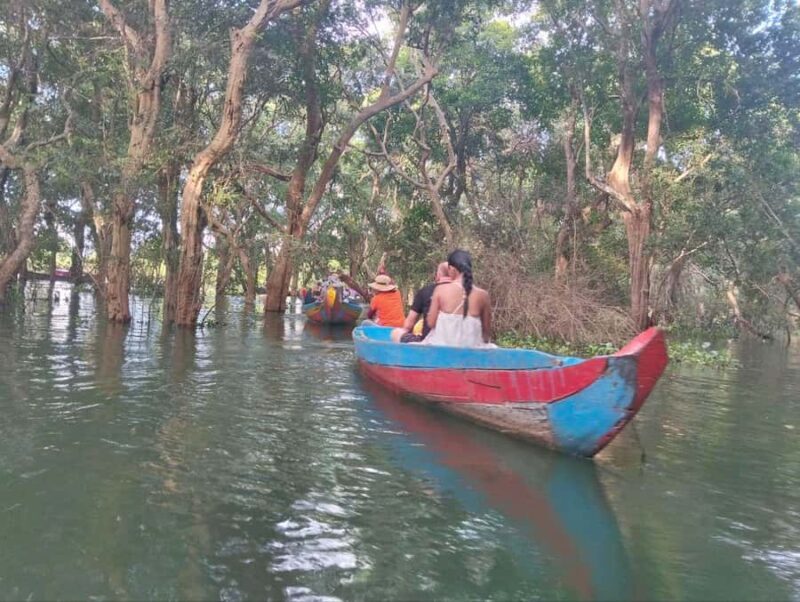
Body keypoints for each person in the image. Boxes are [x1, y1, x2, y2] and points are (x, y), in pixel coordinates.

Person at [423, 249, 493, 347]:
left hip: (443, 351)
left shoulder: (441, 290)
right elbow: (486, 332)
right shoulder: (483, 295)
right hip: (472, 353)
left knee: (398, 335)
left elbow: (430, 323)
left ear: (451, 269)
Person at [391, 262, 452, 343]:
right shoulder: (465, 293)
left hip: (431, 344)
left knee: (396, 333)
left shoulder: (426, 291)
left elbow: (408, 324)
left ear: (438, 275)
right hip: (457, 343)